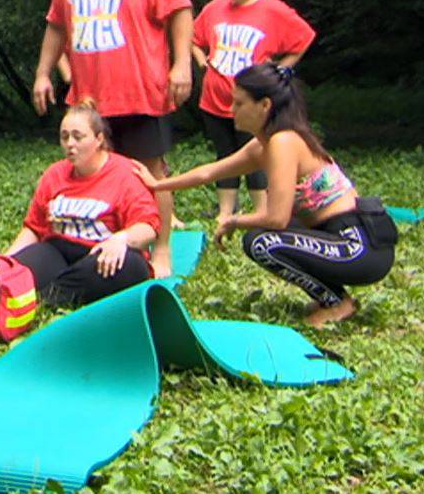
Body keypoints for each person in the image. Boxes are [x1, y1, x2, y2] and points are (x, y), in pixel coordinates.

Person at [134, 62, 396, 327]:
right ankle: (332, 298)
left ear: (265, 105)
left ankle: (337, 303)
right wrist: (157, 185)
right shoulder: (264, 144)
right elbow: (209, 173)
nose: (231, 110)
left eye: (239, 103)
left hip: (359, 246)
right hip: (335, 236)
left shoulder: (284, 142)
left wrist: (234, 220)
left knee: (262, 242)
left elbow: (276, 219)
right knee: (265, 238)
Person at [31, 0, 194, 277]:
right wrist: (42, 73)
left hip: (140, 89)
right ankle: (99, 241)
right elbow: (56, 24)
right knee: (93, 173)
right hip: (90, 99)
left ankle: (163, 248)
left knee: (149, 173)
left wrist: (182, 64)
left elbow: (180, 10)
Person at [192, 0, 315, 224]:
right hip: (215, 99)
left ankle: (261, 209)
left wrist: (281, 70)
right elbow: (193, 37)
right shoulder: (215, 8)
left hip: (253, 102)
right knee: (224, 153)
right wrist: (202, 62)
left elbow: (304, 37)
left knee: (257, 154)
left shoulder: (272, 9)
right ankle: (226, 210)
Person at [7, 99, 161, 308]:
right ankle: (54, 294)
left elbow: (149, 227)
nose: (70, 144)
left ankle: (44, 298)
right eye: (65, 137)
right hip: (57, 251)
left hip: (100, 256)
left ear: (99, 139)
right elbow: (34, 228)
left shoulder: (124, 173)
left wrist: (121, 239)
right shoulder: (55, 174)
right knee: (18, 270)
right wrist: (7, 260)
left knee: (132, 267)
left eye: (78, 137)